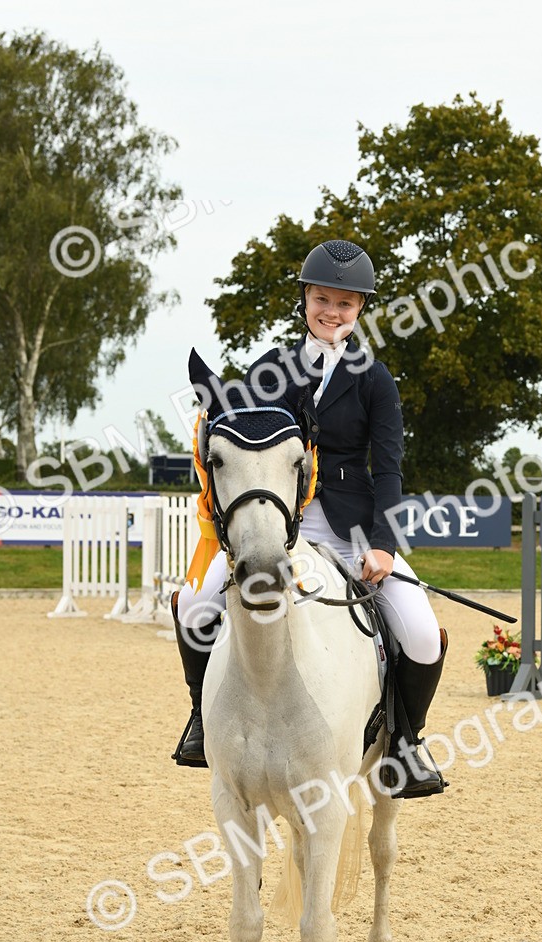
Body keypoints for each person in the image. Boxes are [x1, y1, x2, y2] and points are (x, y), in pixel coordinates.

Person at [171, 239, 448, 799]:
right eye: (323, 299)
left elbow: (389, 469)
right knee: (195, 606)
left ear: (360, 309)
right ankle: (202, 717)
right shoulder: (271, 368)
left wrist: (383, 545)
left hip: (352, 532)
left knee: (421, 634)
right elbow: (241, 443)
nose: (332, 312)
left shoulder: (374, 378)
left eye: (345, 304)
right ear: (304, 300)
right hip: (276, 526)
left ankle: (405, 742)